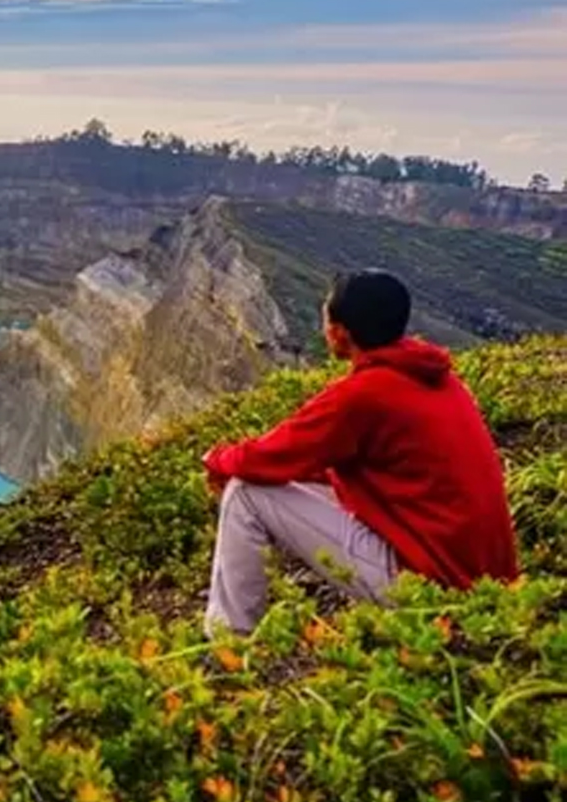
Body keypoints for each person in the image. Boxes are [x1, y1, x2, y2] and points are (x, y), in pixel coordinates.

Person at [200, 269, 520, 637]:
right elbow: (331, 463)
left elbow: (270, 456)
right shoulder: (438, 378)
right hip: (484, 580)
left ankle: (230, 641)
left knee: (245, 493)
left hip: (430, 584)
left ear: (339, 332)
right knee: (275, 483)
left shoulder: (363, 395)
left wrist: (216, 460)